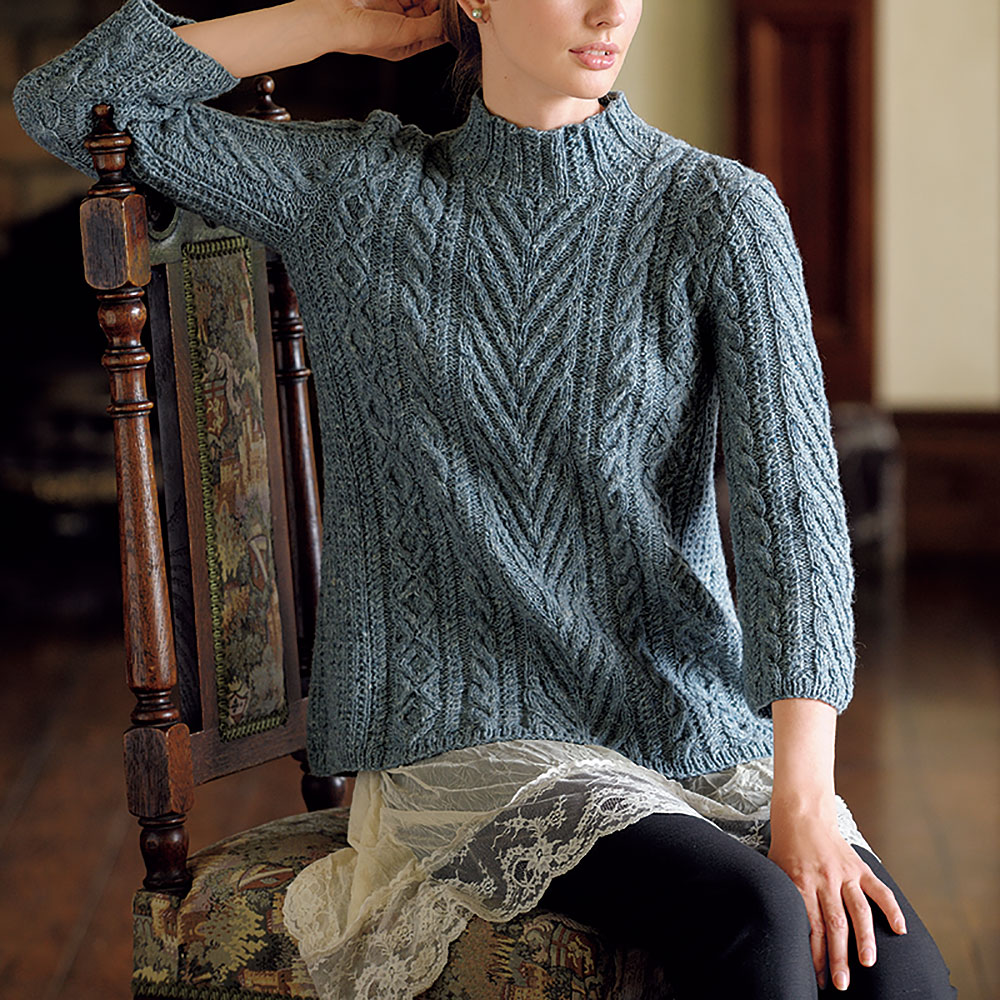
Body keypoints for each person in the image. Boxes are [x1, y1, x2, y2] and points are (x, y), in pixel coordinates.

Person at [13, 1, 956, 997]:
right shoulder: (356, 192)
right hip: (466, 740)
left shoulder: (718, 210)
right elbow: (70, 101)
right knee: (753, 917)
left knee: (892, 967)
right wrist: (346, 21)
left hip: (694, 732)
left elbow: (794, 519)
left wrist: (805, 797)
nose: (609, 11)